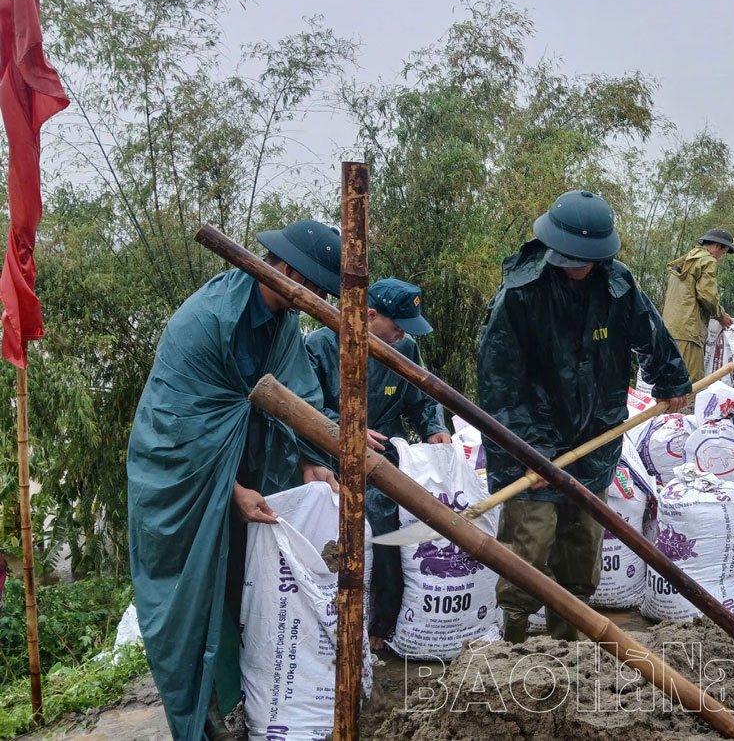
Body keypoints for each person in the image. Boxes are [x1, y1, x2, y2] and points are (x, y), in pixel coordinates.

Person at [128, 219, 344, 741]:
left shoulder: (283, 322)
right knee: (192, 597)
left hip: (241, 468)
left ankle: (239, 699)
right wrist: (231, 491)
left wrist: (313, 458)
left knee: (239, 587)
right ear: (288, 271)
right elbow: (179, 430)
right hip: (180, 478)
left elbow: (297, 393)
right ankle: (201, 713)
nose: (316, 299)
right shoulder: (206, 320)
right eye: (314, 287)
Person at [477, 189, 691, 642]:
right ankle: (512, 640)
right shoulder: (520, 295)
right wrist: (528, 452)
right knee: (529, 544)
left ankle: (568, 641)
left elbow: (650, 332)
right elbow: (499, 385)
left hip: (596, 430)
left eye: (587, 258)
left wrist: (671, 381)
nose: (579, 266)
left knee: (581, 542)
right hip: (529, 437)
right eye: (571, 256)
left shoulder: (617, 285)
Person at [305, 278, 452, 649]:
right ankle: (328, 625)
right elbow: (305, 405)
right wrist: (344, 430)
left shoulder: (406, 349)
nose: (403, 334)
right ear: (369, 316)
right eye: (397, 325)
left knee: (390, 523)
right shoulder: (320, 346)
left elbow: (421, 398)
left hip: (384, 458)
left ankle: (381, 627)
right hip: (327, 457)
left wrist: (433, 428)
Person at [661, 227, 734, 382]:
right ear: (717, 246)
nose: (721, 257)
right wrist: (720, 314)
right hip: (688, 331)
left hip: (670, 329)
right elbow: (707, 296)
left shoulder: (686, 260)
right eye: (724, 252)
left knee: (671, 383)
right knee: (691, 384)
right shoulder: (707, 261)